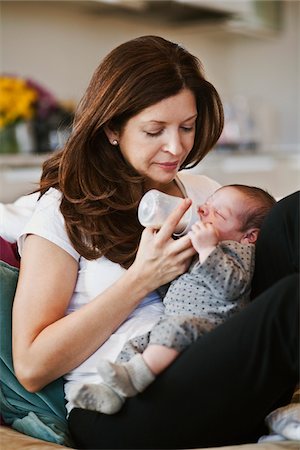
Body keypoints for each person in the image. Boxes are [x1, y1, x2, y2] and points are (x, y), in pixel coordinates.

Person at [11, 35, 298, 449]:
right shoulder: (63, 211)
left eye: (187, 126)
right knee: (292, 299)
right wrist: (142, 279)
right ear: (112, 128)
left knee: (291, 216)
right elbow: (32, 366)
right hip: (121, 405)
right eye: (154, 130)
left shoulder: (207, 194)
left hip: (216, 371)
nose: (176, 146)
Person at [70, 184, 276, 414]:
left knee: (178, 328)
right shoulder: (199, 249)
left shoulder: (237, 252)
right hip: (174, 323)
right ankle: (112, 393)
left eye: (218, 213)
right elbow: (177, 288)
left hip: (211, 327)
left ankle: (136, 378)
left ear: (249, 237)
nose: (202, 211)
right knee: (136, 345)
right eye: (206, 204)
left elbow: (232, 286)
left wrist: (208, 249)